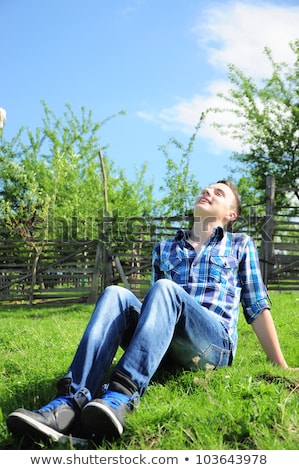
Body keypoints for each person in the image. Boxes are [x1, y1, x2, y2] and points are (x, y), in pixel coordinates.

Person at [6, 180, 297, 445]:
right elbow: (153, 313)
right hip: (167, 341)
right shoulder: (165, 249)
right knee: (116, 293)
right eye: (205, 190)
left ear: (230, 215)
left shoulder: (239, 244)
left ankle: (121, 396)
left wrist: (281, 365)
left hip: (212, 345)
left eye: (218, 193)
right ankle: (69, 403)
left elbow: (256, 305)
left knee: (166, 289)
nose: (207, 192)